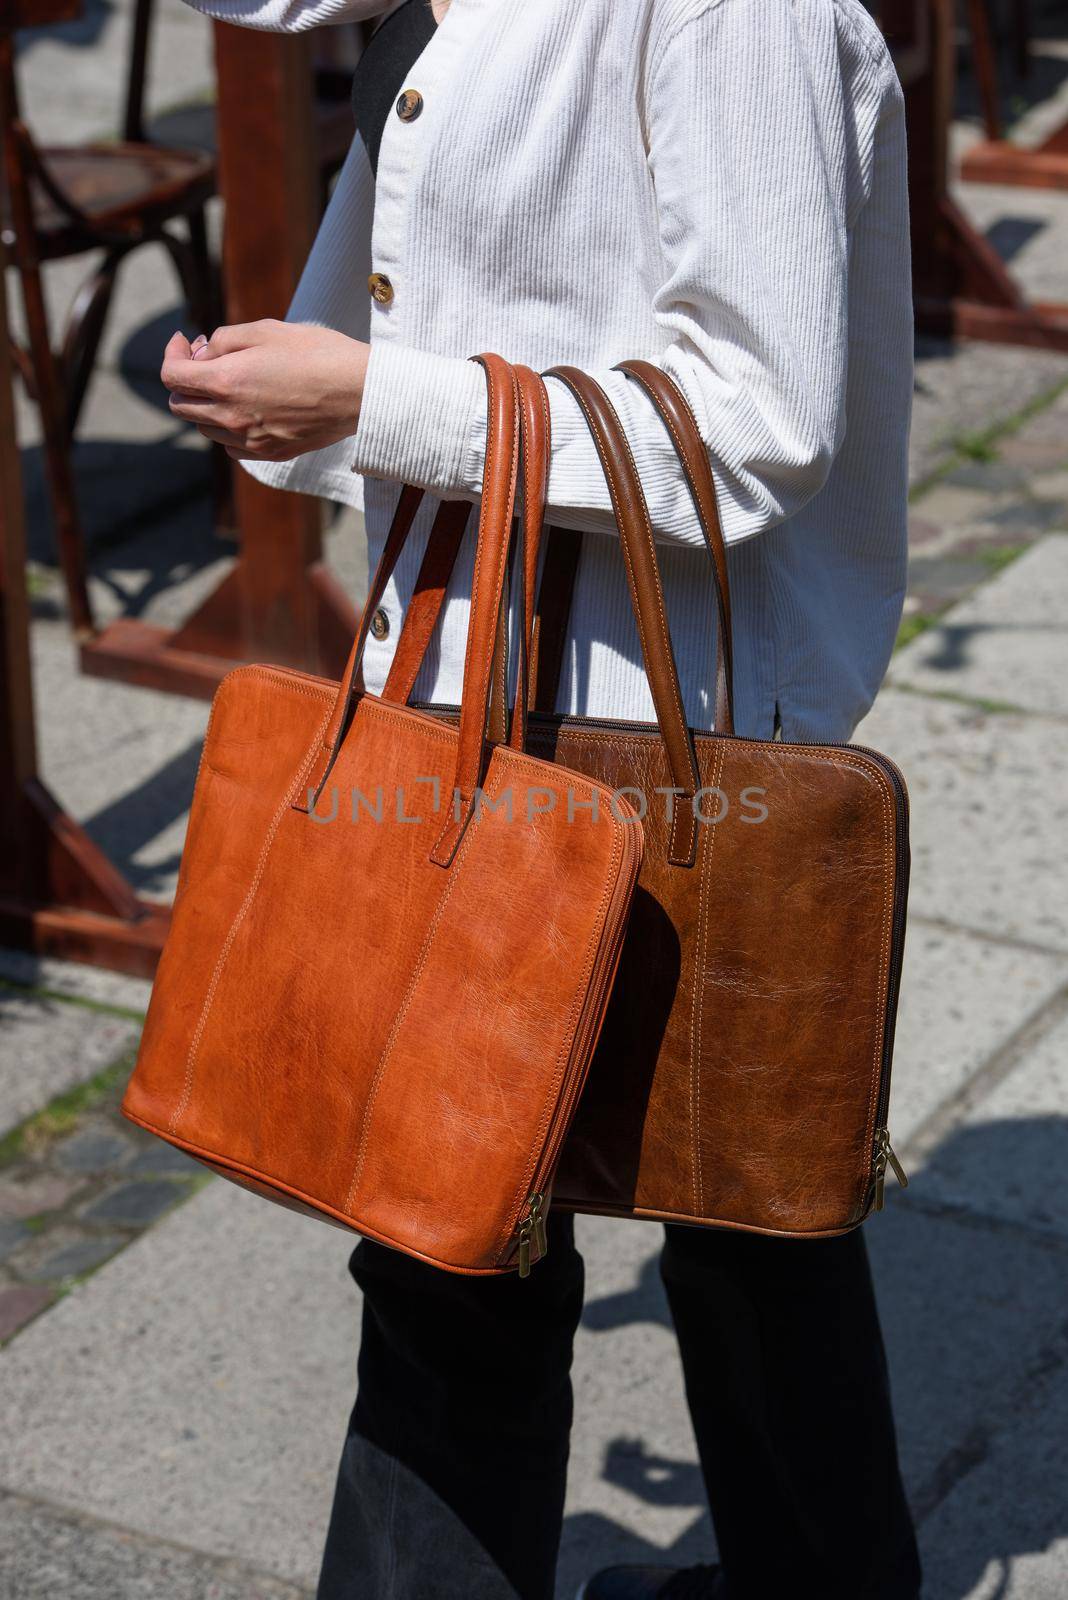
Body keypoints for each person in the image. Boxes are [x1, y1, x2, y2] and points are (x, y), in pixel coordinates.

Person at [162, 2, 921, 1596]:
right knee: (444, 1233)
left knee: (752, 1233)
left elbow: (760, 416)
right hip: (472, 701)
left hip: (698, 741)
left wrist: (372, 402)